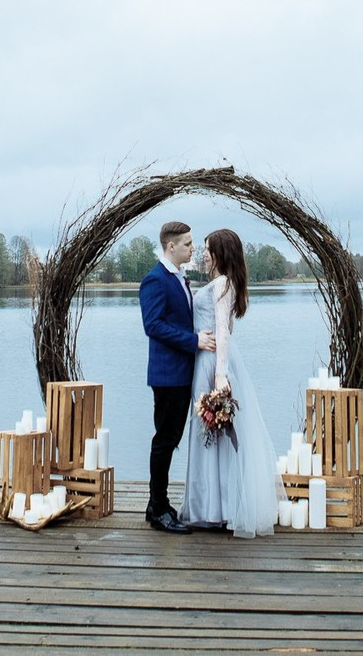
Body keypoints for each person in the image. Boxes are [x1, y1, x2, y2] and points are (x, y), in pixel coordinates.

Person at [179, 228, 280, 538]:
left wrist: (220, 376)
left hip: (212, 363)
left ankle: (215, 508)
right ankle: (218, 506)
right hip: (211, 356)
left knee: (212, 433)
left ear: (221, 253)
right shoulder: (225, 282)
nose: (204, 253)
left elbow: (223, 330)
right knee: (216, 435)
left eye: (209, 249)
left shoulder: (222, 283)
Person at [139, 220, 214, 533]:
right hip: (168, 375)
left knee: (170, 440)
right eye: (187, 243)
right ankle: (158, 512)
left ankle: (156, 503)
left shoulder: (179, 278)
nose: (192, 248)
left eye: (192, 243)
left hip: (182, 374)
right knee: (165, 440)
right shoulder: (155, 280)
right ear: (170, 246)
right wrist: (194, 340)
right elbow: (153, 326)